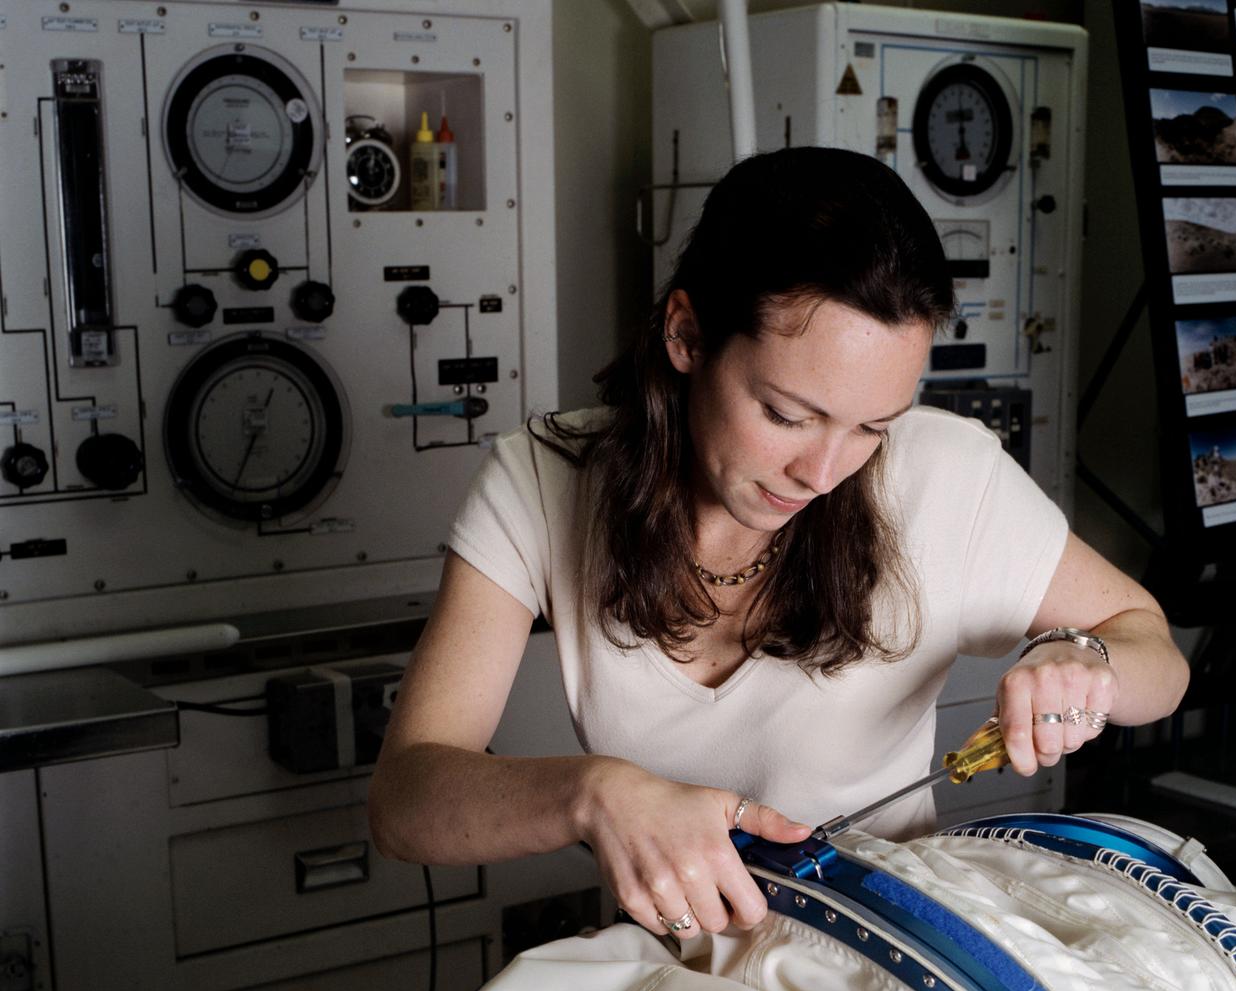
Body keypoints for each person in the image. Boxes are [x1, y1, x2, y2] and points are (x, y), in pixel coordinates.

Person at [368, 147, 1189, 944]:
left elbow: (1152, 646)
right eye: (786, 415)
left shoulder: (949, 474)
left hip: (883, 972)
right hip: (678, 976)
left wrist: (1086, 660)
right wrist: (595, 794)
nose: (822, 470)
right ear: (687, 336)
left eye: (872, 427)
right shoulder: (540, 481)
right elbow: (406, 799)